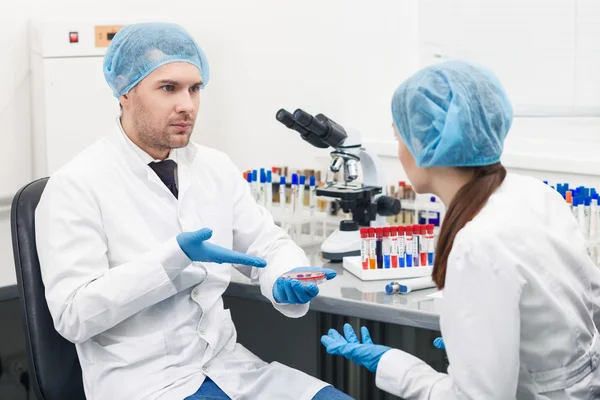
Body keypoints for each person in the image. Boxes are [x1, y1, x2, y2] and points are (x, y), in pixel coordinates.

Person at [35, 22, 353, 400]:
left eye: (194, 88)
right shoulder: (76, 184)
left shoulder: (213, 167)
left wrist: (287, 277)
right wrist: (170, 260)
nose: (186, 104)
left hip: (231, 368)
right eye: (168, 88)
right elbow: (73, 316)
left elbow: (267, 244)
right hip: (146, 383)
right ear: (124, 91)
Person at [321, 60, 600, 399]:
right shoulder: (534, 192)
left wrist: (395, 366)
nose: (399, 150)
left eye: (400, 137)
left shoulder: (476, 241)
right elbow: (588, 302)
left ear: (426, 145)